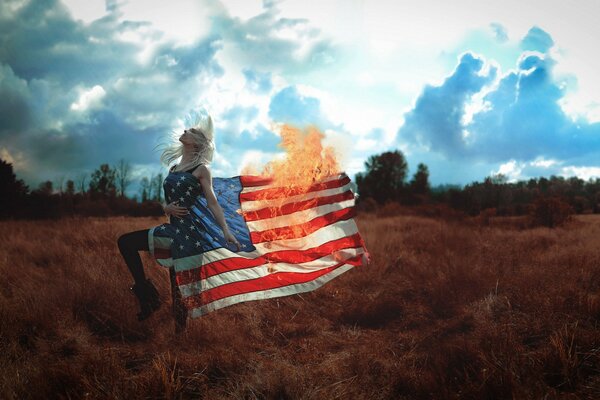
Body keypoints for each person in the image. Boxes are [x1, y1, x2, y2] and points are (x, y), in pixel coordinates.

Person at [117, 111, 241, 322]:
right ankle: (148, 297)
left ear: (196, 143)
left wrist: (226, 230)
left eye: (191, 131)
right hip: (173, 229)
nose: (185, 130)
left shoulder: (201, 169)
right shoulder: (174, 168)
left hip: (189, 235)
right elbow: (169, 201)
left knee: (180, 294)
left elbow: (212, 202)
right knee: (125, 242)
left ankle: (180, 343)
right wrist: (167, 209)